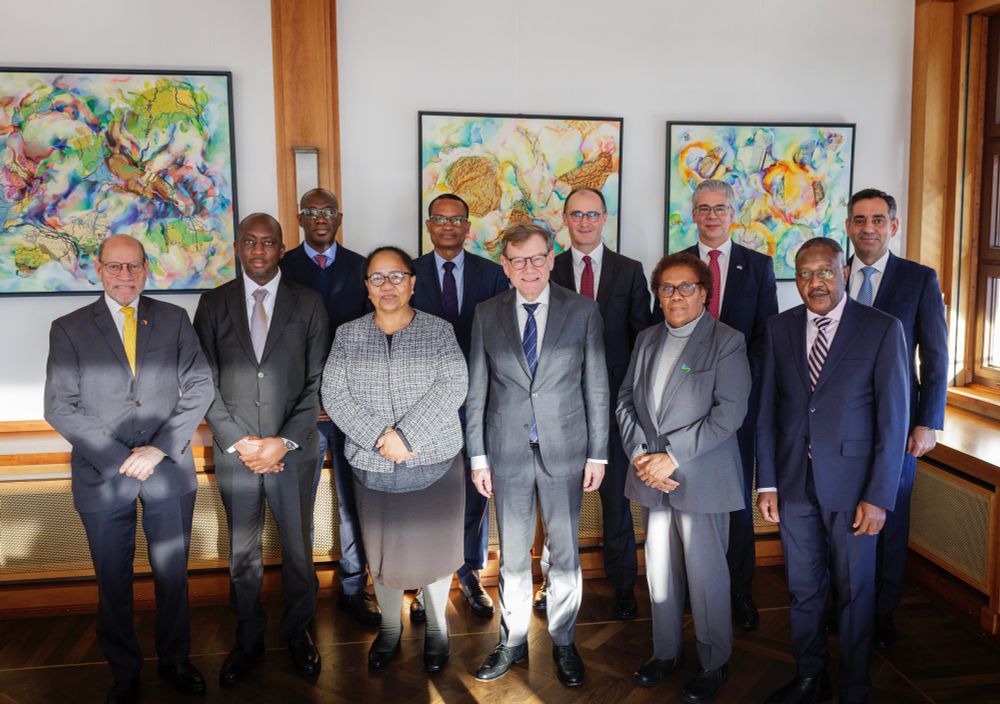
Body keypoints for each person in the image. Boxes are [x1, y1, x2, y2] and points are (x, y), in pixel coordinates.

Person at [44, 234, 213, 703]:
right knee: (113, 580)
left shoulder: (174, 319)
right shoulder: (69, 328)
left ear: (146, 269)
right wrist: (121, 458)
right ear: (99, 269)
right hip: (103, 476)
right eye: (115, 267)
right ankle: (124, 672)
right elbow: (60, 405)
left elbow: (200, 386)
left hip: (167, 469)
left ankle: (176, 660)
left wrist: (158, 449)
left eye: (133, 266)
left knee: (172, 576)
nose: (125, 275)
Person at [756, 237, 909, 704]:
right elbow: (767, 411)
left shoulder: (881, 328)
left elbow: (894, 421)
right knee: (803, 589)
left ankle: (854, 685)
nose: (815, 282)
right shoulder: (779, 328)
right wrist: (768, 482)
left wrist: (879, 496)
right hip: (794, 484)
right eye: (805, 273)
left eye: (825, 271)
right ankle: (810, 676)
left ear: (844, 272)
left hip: (855, 488)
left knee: (855, 590)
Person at [466, 222, 609, 687]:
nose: (528, 268)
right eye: (518, 260)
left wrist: (598, 454)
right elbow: (477, 390)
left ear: (551, 260)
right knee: (511, 556)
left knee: (564, 554)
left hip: (566, 451)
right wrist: (478, 457)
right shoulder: (486, 313)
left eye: (536, 258)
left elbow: (596, 386)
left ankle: (564, 641)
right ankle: (512, 640)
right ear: (505, 267)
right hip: (505, 452)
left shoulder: (583, 311)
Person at [193, 213, 330, 685]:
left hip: (293, 450)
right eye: (249, 242)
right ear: (237, 247)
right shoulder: (213, 304)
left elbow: (318, 380)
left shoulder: (308, 303)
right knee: (243, 551)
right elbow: (202, 380)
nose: (258, 250)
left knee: (298, 548)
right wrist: (239, 441)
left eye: (267, 242)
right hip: (237, 453)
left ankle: (299, 634)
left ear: (281, 249)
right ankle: (247, 638)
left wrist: (281, 442)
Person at [322, 246, 468, 672]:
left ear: (413, 283)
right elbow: (334, 395)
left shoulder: (439, 331)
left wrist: (407, 437)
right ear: (367, 288)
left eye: (397, 276)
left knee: (436, 549)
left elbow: (453, 385)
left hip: (435, 462)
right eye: (378, 278)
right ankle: (390, 628)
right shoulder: (347, 335)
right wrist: (380, 438)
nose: (388, 285)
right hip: (373, 466)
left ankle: (438, 629)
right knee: (383, 551)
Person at [616, 252, 750, 703]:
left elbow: (729, 414)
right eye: (667, 287)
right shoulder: (647, 339)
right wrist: (641, 456)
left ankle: (714, 662)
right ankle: (666, 652)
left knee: (707, 577)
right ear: (657, 294)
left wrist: (670, 458)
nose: (676, 296)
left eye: (686, 287)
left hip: (702, 478)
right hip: (651, 479)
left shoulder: (726, 341)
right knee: (660, 573)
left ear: (704, 293)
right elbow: (625, 401)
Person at [840, 188, 948, 649]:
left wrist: (928, 422)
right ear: (848, 226)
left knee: (891, 515)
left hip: (899, 424)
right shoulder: (834, 274)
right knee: (843, 514)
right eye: (860, 220)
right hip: (842, 424)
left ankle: (881, 613)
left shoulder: (919, 279)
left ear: (894, 226)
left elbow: (937, 356)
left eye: (878, 220)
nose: (868, 228)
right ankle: (844, 605)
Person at [546, 187, 651, 621]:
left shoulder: (629, 270)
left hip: (613, 410)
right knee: (557, 504)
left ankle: (623, 586)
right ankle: (554, 583)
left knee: (616, 503)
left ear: (605, 218)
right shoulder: (547, 269)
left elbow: (642, 340)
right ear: (565, 219)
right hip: (558, 408)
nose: (585, 222)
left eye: (592, 214)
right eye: (577, 214)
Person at [278, 187, 379, 626]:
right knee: (299, 504)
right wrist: (312, 398)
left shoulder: (362, 267)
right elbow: (278, 345)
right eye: (312, 211)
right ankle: (301, 596)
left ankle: (354, 588)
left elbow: (373, 336)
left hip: (354, 409)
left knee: (353, 503)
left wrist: (342, 398)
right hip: (303, 411)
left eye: (328, 211)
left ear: (339, 217)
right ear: (300, 218)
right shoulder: (281, 268)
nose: (321, 217)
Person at [681, 179, 778, 630]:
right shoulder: (679, 265)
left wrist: (731, 381)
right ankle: (692, 588)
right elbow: (666, 333)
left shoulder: (757, 266)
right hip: (685, 407)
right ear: (693, 215)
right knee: (689, 499)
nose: (712, 216)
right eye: (704, 208)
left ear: (732, 214)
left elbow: (765, 336)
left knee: (736, 501)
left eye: (720, 208)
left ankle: (739, 591)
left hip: (737, 405)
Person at [410, 193, 508, 622]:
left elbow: (502, 338)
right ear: (429, 225)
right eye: (440, 218)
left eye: (456, 220)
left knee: (474, 492)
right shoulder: (409, 274)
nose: (448, 226)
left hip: (476, 404)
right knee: (427, 494)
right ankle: (423, 579)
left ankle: (470, 574)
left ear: (468, 227)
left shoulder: (492, 274)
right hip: (423, 407)